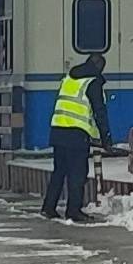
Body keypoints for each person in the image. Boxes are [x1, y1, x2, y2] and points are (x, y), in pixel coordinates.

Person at [42, 53, 102, 223]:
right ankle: (74, 210)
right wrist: (106, 138)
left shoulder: (69, 79)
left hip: (58, 131)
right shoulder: (92, 82)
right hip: (76, 134)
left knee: (59, 172)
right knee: (78, 174)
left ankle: (48, 207)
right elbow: (99, 112)